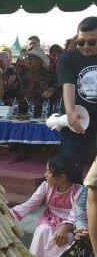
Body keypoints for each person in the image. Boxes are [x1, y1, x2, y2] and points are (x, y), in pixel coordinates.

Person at [10, 154, 83, 257]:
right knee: (43, 231)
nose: (45, 175)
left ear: (61, 177)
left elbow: (77, 213)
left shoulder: (79, 191)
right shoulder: (45, 187)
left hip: (70, 227)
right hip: (49, 220)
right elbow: (30, 204)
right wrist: (11, 214)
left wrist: (66, 226)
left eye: (48, 172)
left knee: (63, 241)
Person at [57, 17, 97, 165]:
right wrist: (70, 112)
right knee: (72, 168)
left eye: (92, 42)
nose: (86, 46)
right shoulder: (68, 58)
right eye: (81, 42)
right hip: (76, 123)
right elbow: (68, 85)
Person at [18, 46, 56, 117]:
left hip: (43, 110)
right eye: (28, 58)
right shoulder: (23, 73)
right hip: (25, 111)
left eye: (32, 58)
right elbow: (19, 91)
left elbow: (55, 85)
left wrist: (50, 90)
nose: (29, 60)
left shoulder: (49, 73)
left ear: (40, 60)